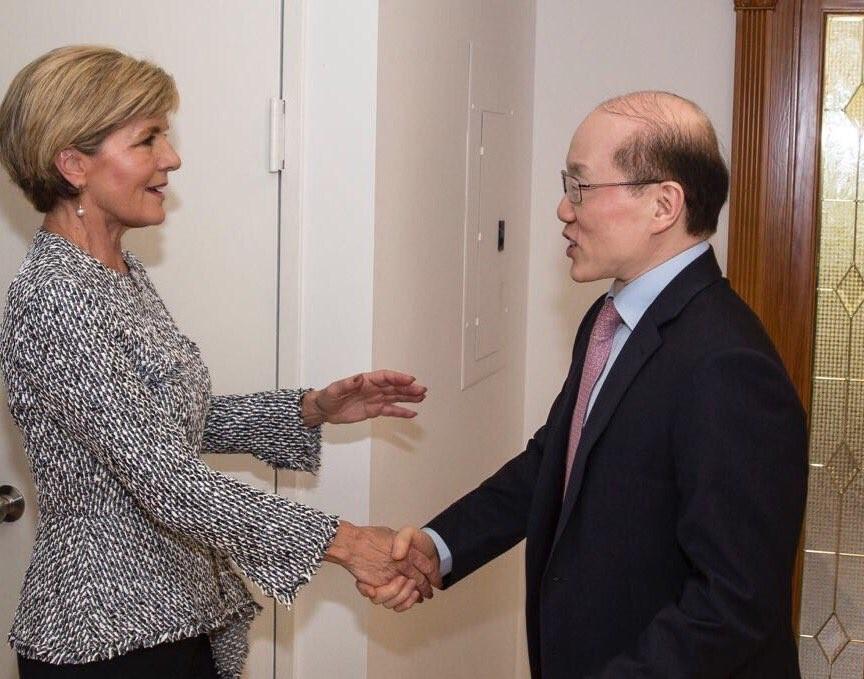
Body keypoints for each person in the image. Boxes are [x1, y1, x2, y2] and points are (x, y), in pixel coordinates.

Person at [0, 46, 437, 678]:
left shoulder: (113, 272)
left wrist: (311, 409)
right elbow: (167, 478)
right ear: (74, 164)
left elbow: (167, 425)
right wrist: (346, 543)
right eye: (147, 140)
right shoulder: (57, 297)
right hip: (107, 637)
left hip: (169, 617)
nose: (172, 158)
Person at [361, 91, 809, 677]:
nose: (563, 210)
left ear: (663, 205)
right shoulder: (609, 318)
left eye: (581, 187)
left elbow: (733, 605)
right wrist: (438, 546)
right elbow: (555, 461)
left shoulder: (726, 364)